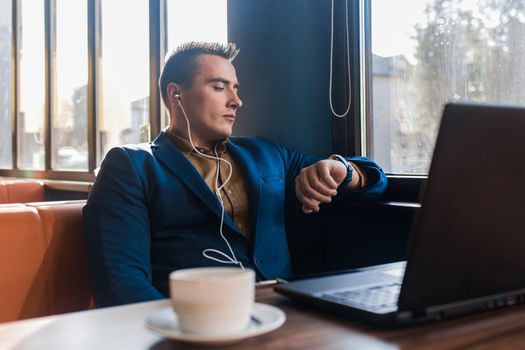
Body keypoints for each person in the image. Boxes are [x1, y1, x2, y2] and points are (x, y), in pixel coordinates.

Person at [83, 42, 387, 307]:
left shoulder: (266, 154)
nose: (236, 100)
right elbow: (122, 282)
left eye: (235, 88)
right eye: (219, 87)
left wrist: (341, 170)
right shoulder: (131, 165)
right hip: (197, 326)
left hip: (287, 313)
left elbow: (374, 180)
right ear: (176, 95)